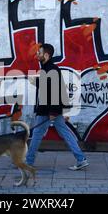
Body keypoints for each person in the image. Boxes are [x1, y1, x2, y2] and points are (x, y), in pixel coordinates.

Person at [26, 43, 89, 171]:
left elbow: (55, 91)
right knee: (63, 132)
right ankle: (81, 159)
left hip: (48, 110)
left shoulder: (51, 69)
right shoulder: (48, 68)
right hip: (49, 109)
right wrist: (37, 82)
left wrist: (54, 111)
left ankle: (28, 161)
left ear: (46, 55)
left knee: (38, 133)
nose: (37, 54)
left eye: (40, 52)